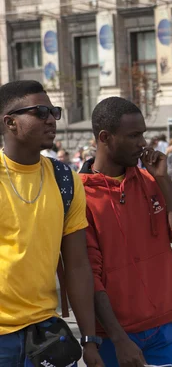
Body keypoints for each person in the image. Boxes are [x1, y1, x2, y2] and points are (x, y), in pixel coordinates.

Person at [80, 97, 172, 367]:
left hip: (162, 328)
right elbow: (90, 276)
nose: (143, 142)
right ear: (105, 137)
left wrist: (163, 179)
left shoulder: (150, 180)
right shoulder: (80, 195)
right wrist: (118, 338)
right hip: (113, 337)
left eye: (143, 134)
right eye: (133, 135)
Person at [0, 80, 104, 366]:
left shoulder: (65, 179)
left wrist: (89, 339)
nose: (51, 119)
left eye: (54, 111)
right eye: (41, 112)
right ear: (10, 122)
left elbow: (78, 265)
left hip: (46, 333)